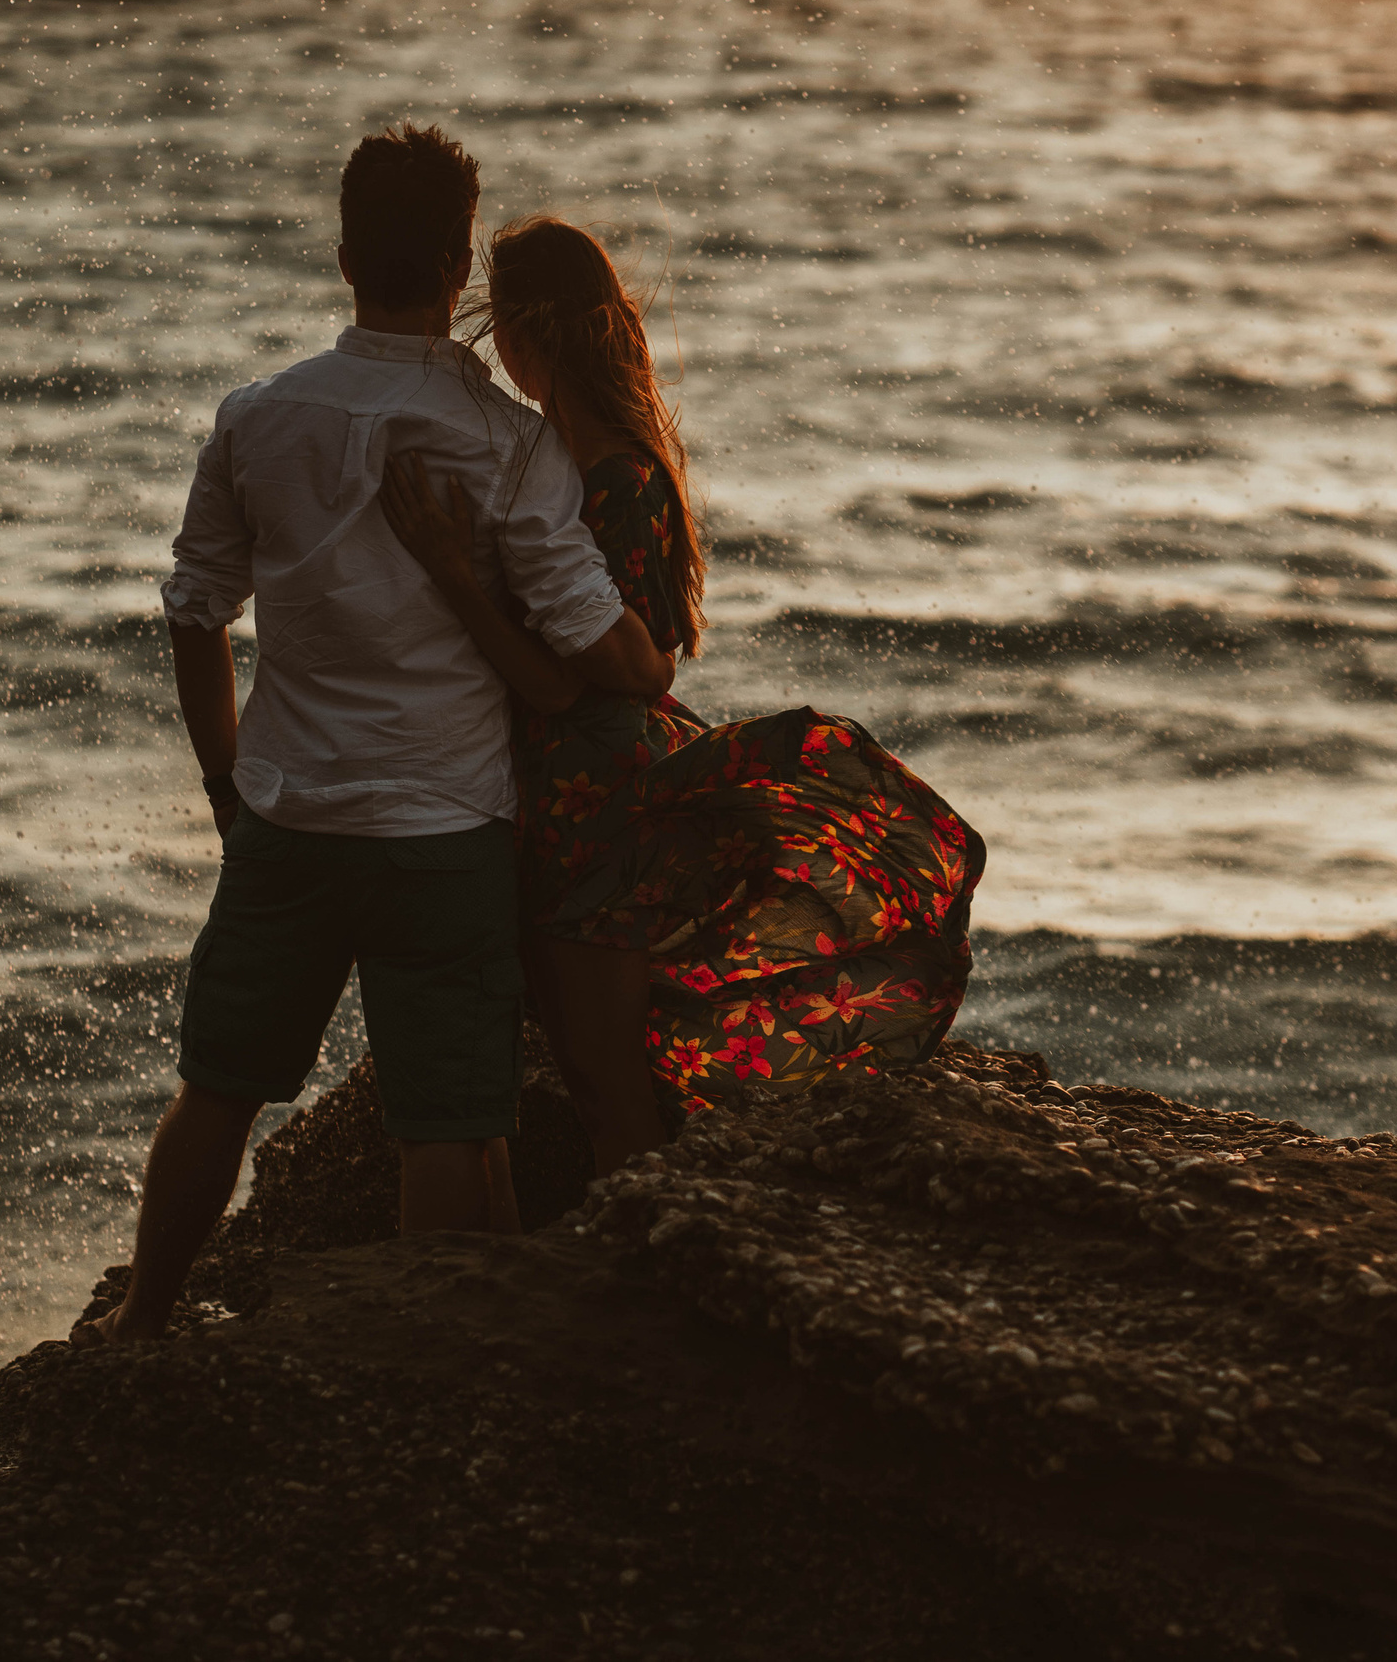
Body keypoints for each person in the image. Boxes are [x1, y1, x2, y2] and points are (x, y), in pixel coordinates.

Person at [84, 127, 670, 1344]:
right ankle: (425, 1365)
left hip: (288, 814)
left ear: (346, 255)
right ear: (460, 270)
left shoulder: (259, 417)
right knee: (447, 1119)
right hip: (446, 830)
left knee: (220, 1090)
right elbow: (590, 642)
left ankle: (142, 1323)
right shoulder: (512, 445)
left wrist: (225, 780)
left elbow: (196, 608)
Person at [376, 217, 984, 1170]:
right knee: (592, 1071)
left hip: (596, 806)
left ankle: (639, 1264)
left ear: (532, 339)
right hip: (571, 797)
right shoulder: (580, 463)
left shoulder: (611, 479)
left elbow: (571, 680)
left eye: (500, 339)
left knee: (605, 1078)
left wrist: (454, 574)